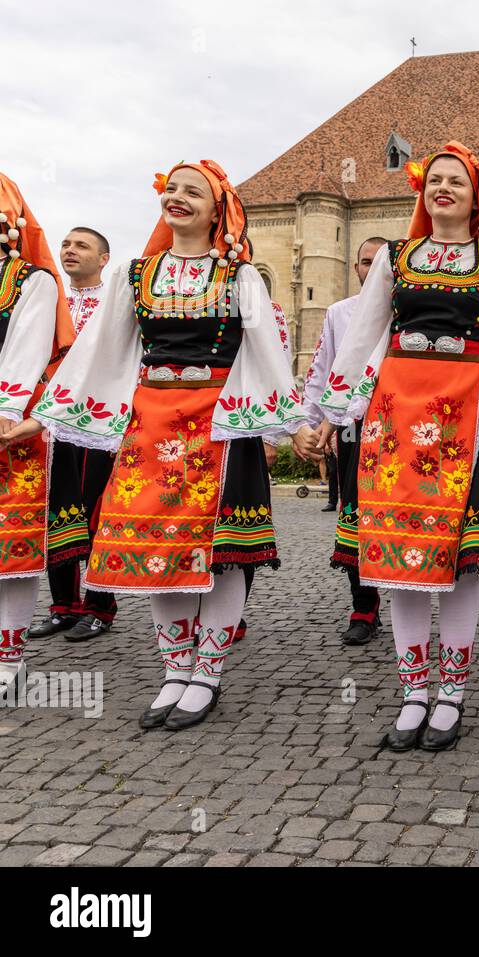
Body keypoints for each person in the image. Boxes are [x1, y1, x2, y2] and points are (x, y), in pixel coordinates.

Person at [33, 160, 312, 729]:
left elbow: (264, 353)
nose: (178, 197)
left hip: (220, 426)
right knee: (157, 548)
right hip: (152, 424)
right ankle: (175, 669)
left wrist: (294, 420)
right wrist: (58, 412)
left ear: (218, 210)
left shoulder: (240, 276)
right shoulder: (135, 275)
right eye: (172, 188)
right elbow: (102, 350)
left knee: (223, 555)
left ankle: (207, 671)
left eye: (194, 192)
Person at [313, 143, 479, 753]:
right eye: (434, 180)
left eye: (456, 182)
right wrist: (336, 415)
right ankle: (415, 689)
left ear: (477, 196)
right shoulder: (395, 256)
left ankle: (453, 693)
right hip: (397, 413)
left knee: (459, 565)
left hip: (469, 412)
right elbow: (364, 338)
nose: (443, 189)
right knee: (401, 564)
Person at [0, 173, 87, 696]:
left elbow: (24, 352)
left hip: (8, 422)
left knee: (8, 547)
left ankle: (8, 654)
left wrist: (5, 410)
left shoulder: (31, 280)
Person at [28, 227, 118, 643]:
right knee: (55, 511)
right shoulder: (49, 304)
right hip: (49, 424)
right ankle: (64, 606)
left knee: (100, 514)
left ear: (104, 259)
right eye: (65, 244)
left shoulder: (116, 306)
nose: (69, 250)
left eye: (81, 245)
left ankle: (100, 607)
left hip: (102, 423)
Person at [299, 237, 386, 646]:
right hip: (351, 424)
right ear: (356, 268)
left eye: (380, 262)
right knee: (354, 512)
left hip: (401, 425)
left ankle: (411, 593)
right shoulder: (338, 313)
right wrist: (311, 423)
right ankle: (363, 607)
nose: (372, 269)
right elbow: (322, 369)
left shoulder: (409, 310)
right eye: (366, 262)